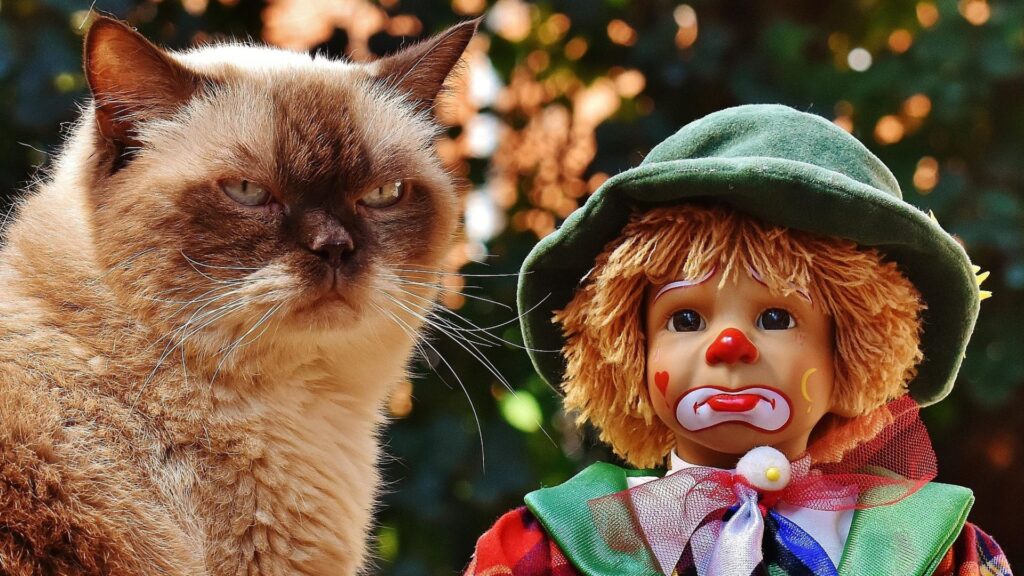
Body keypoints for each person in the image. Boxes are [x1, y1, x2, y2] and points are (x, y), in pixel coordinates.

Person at [464, 105, 1012, 576]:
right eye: (683, 319)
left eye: (776, 317)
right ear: (628, 353)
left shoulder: (940, 552)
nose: (729, 344)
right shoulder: (543, 549)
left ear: (851, 355)